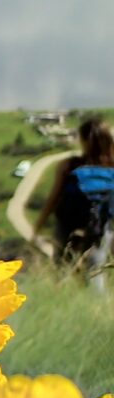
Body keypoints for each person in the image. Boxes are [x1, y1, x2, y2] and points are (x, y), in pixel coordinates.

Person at [50, 114, 114, 280]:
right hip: (99, 226)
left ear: (83, 140)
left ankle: (61, 300)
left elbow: (54, 197)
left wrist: (39, 224)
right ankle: (98, 305)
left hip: (67, 225)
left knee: (62, 269)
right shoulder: (111, 167)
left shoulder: (70, 165)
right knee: (95, 271)